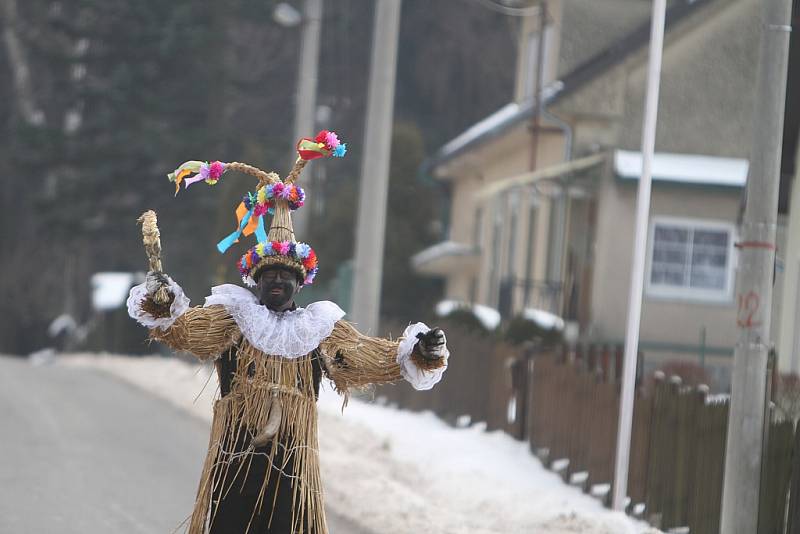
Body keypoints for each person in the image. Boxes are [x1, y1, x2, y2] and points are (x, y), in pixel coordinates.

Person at [126, 133, 449, 534]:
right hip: (236, 453)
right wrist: (162, 304)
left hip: (295, 459)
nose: (277, 281)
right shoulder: (232, 319)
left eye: (285, 276)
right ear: (255, 281)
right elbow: (183, 331)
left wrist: (419, 352)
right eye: (269, 275)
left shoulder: (319, 329)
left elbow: (370, 357)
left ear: (300, 283)